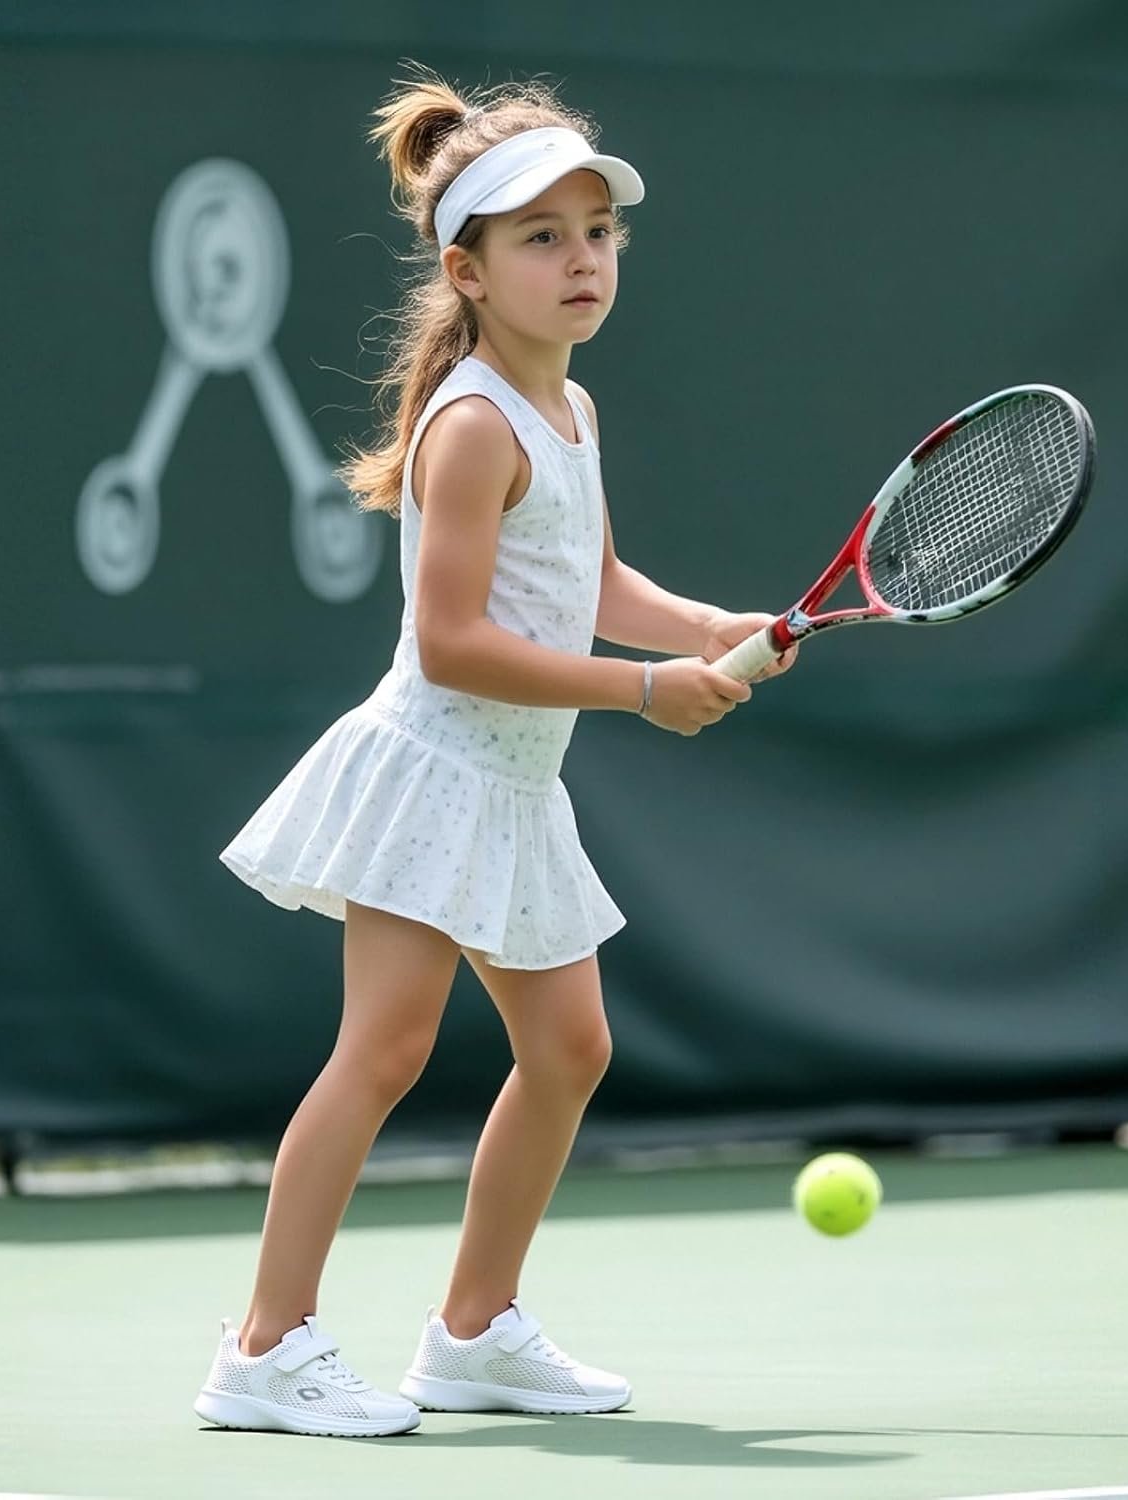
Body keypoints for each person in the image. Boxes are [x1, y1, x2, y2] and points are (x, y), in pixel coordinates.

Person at [194, 66, 795, 1439]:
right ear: (466, 271)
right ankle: (264, 1350)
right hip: (431, 775)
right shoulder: (470, 426)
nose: (582, 259)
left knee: (570, 1050)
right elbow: (456, 641)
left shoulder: (571, 412)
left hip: (520, 789)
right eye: (542, 237)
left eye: (598, 232)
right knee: (383, 1053)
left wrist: (709, 627)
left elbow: (591, 578)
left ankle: (472, 1333)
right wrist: (646, 690)